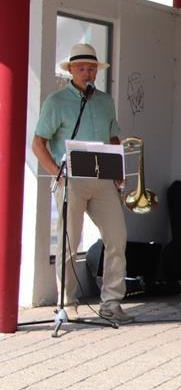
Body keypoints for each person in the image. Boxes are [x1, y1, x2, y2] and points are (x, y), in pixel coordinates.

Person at [32, 43, 133, 323]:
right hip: (72, 178)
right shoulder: (56, 101)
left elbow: (113, 136)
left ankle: (111, 302)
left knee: (117, 236)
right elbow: (38, 143)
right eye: (82, 69)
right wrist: (57, 172)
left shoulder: (105, 101)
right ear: (71, 71)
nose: (88, 73)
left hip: (103, 177)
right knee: (69, 240)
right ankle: (67, 301)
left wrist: (118, 167)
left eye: (91, 69)